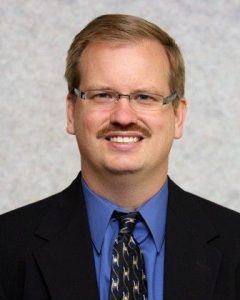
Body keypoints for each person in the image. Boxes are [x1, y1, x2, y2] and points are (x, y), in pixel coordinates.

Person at [0, 14, 240, 300]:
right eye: (103, 95)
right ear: (71, 112)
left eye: (144, 97)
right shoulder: (6, 246)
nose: (123, 116)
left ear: (178, 116)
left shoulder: (235, 245)